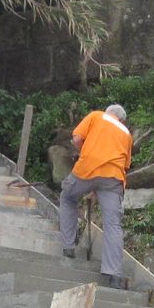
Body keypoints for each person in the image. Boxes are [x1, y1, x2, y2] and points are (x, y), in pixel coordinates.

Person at [59, 104, 133, 289]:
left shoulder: (97, 115)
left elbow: (77, 138)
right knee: (113, 225)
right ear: (121, 120)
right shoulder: (126, 133)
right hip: (113, 178)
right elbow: (124, 164)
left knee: (68, 197)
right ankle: (114, 274)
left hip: (87, 170)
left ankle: (68, 247)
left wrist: (85, 153)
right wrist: (97, 191)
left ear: (110, 112)